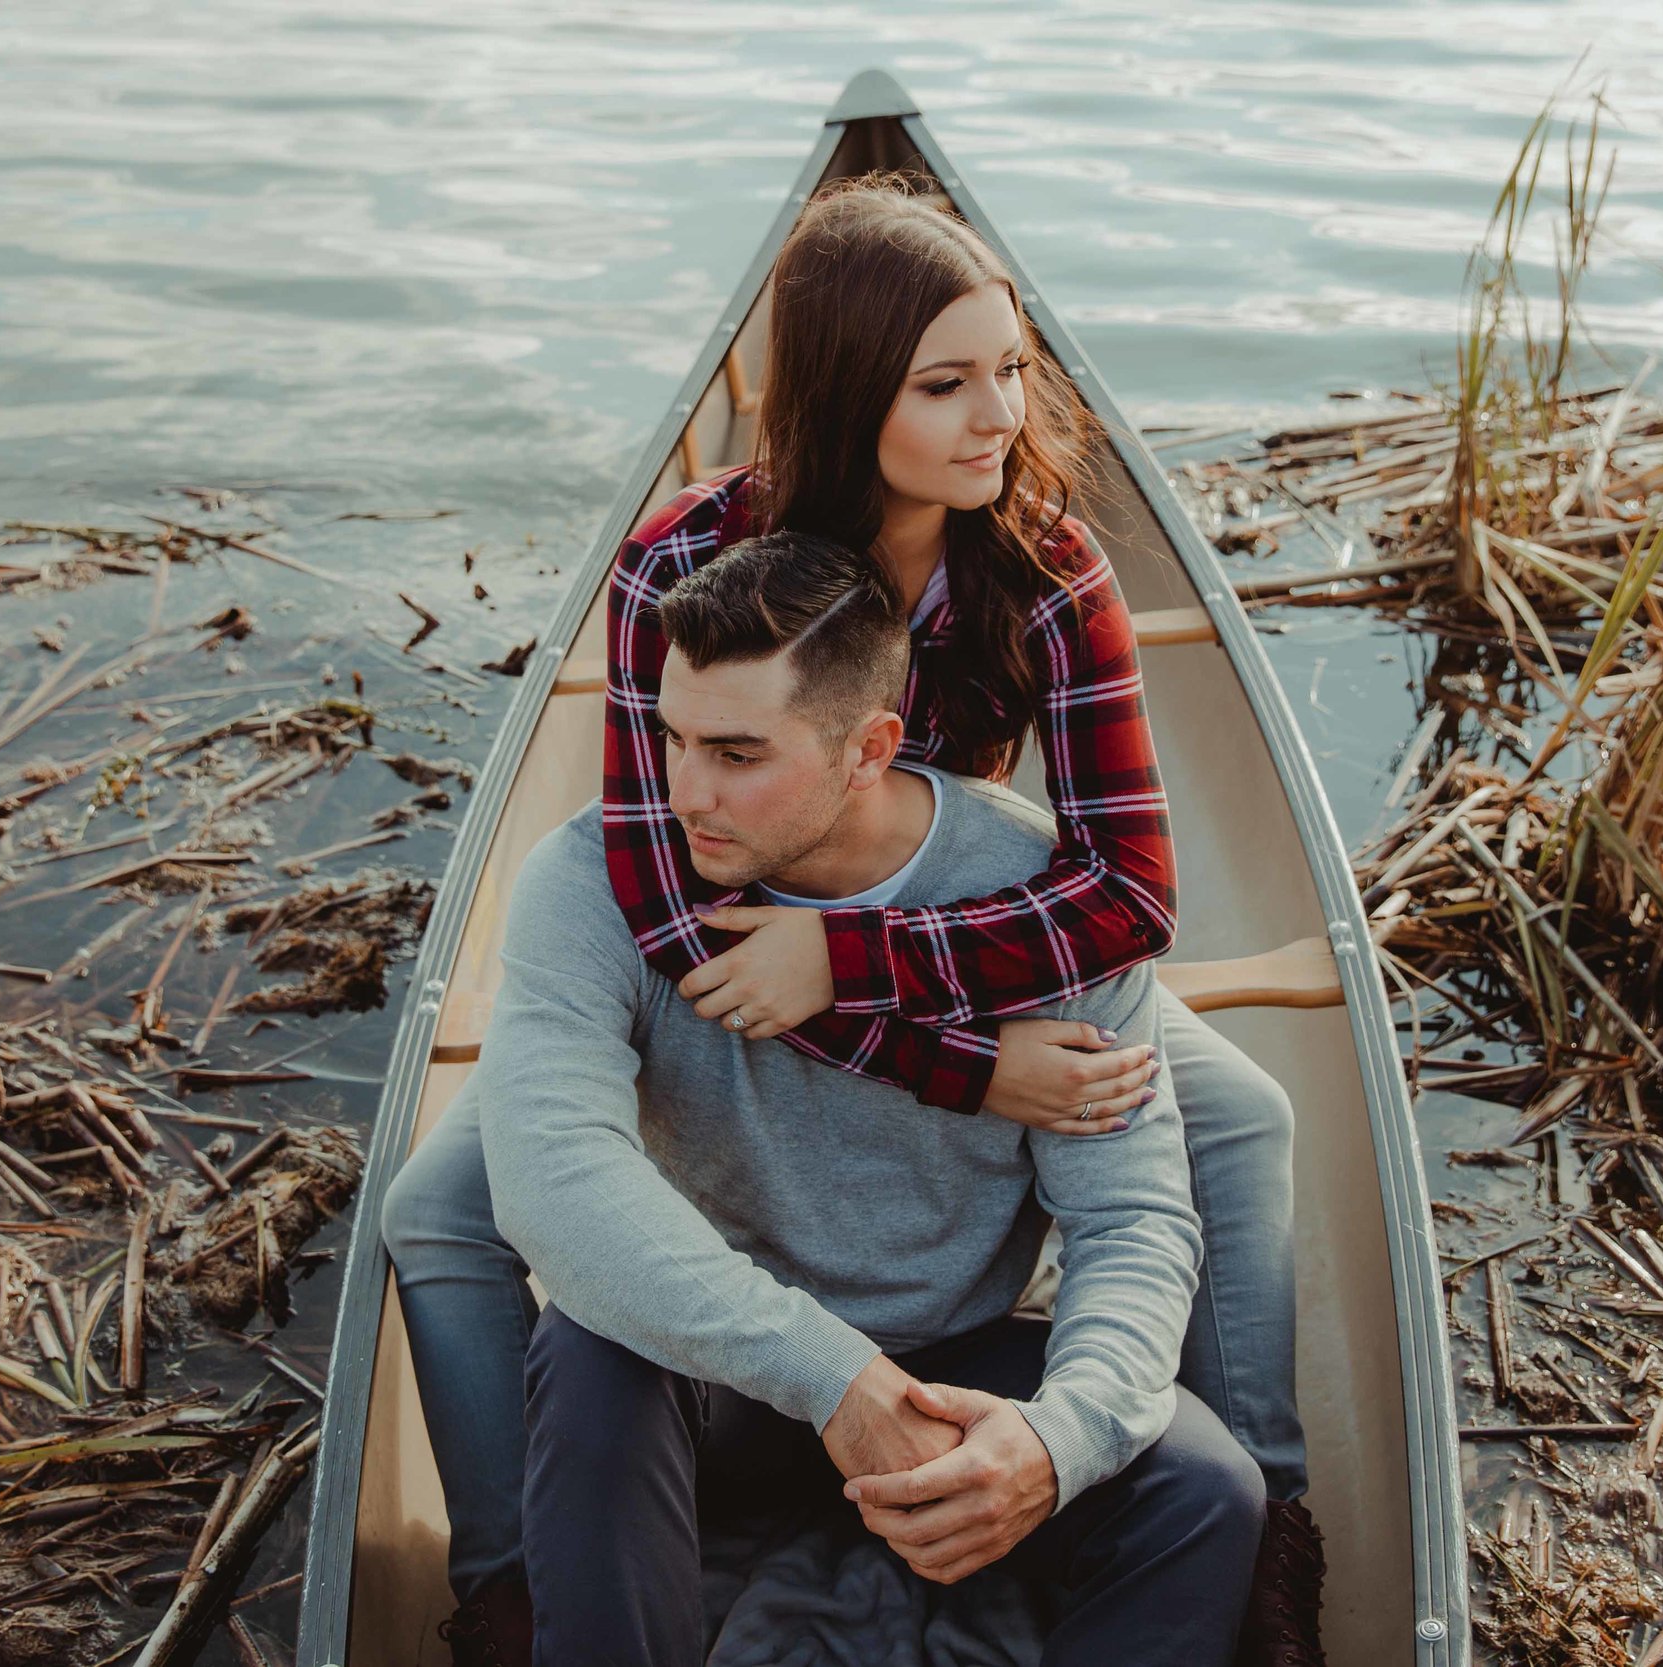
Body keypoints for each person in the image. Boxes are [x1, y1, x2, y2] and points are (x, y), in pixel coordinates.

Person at [380, 174, 1322, 1665]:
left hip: (948, 915)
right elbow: (663, 868)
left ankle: (1268, 1528)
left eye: (1012, 369)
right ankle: (513, 1588)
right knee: (442, 1205)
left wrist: (880, 977)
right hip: (746, 928)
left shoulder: (1047, 564)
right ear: (843, 394)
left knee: (1241, 1119)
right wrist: (958, 1064)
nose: (998, 414)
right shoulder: (680, 571)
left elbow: (1130, 891)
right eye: (946, 384)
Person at [482, 535, 1262, 1665]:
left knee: (1206, 1491)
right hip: (729, 1366)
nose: (684, 791)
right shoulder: (596, 876)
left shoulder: (1042, 899)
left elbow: (1130, 1218)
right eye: (673, 737)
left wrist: (1053, 1440)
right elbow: (555, 1180)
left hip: (963, 1354)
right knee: (587, 1350)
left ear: (869, 748)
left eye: (738, 752)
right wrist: (831, 1376)